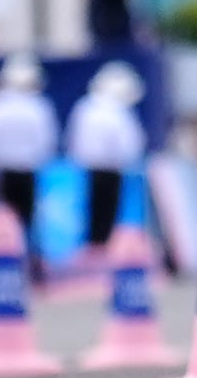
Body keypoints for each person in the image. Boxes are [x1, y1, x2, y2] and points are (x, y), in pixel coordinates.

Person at [66, 59, 159, 264]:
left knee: (93, 211)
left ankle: (94, 250)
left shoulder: (85, 108)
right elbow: (131, 145)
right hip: (112, 169)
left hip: (89, 169)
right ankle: (102, 252)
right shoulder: (118, 112)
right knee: (107, 213)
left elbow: (73, 139)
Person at [0, 50, 62, 238]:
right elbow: (47, 143)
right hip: (26, 172)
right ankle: (26, 255)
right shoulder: (38, 107)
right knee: (26, 223)